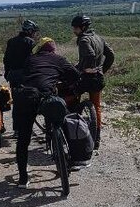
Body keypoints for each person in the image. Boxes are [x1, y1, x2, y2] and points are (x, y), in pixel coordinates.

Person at [14, 37, 80, 188]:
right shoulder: (59, 59)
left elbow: (24, 74)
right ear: (52, 49)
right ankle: (68, 158)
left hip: (27, 96)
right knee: (60, 120)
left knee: (23, 139)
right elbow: (75, 75)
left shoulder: (31, 59)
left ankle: (23, 178)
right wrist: (62, 80)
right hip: (46, 96)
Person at [70, 13, 114, 148]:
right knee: (96, 106)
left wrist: (84, 69)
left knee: (71, 97)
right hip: (98, 78)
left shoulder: (83, 40)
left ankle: (74, 129)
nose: (74, 31)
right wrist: (102, 70)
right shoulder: (98, 38)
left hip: (86, 77)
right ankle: (97, 139)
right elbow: (111, 55)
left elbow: (90, 55)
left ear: (82, 28)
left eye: (75, 28)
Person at [3, 19, 39, 136]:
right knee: (29, 102)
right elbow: (34, 60)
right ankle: (28, 128)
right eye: (33, 31)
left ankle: (17, 129)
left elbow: (6, 59)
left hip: (13, 75)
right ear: (30, 31)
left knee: (17, 102)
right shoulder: (31, 43)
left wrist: (7, 73)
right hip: (27, 76)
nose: (34, 34)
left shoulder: (11, 41)